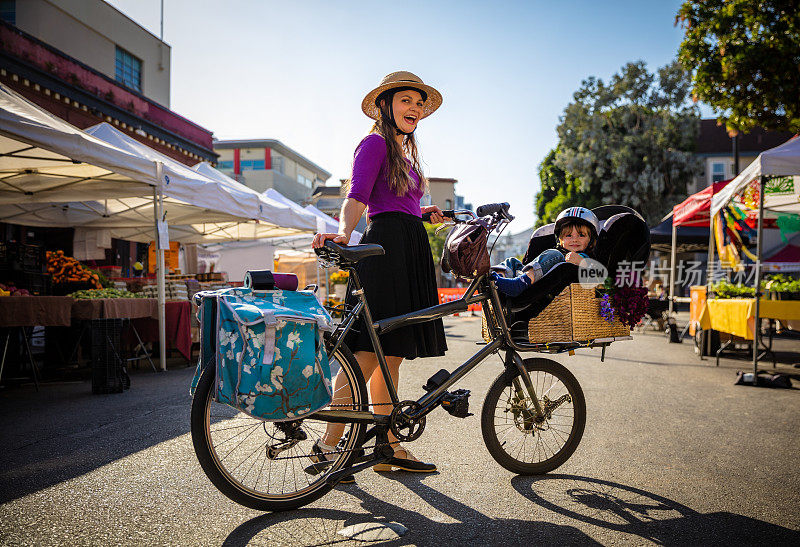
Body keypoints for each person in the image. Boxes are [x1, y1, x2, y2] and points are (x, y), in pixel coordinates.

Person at [311, 71, 446, 474]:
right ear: (386, 106)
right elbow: (359, 196)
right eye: (407, 101)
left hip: (407, 245)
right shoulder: (373, 143)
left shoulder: (404, 154)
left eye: (419, 104)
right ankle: (328, 446)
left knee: (391, 357)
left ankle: (388, 448)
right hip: (386, 250)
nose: (415, 109)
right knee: (367, 356)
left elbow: (395, 203)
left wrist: (421, 213)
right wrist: (344, 233)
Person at [491, 207, 600, 297]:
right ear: (560, 240)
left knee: (555, 254)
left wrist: (582, 261)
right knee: (512, 261)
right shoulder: (556, 252)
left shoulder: (587, 257)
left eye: (581, 235)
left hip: (541, 289)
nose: (574, 239)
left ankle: (519, 283)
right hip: (527, 277)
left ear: (591, 240)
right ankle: (496, 280)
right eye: (568, 235)